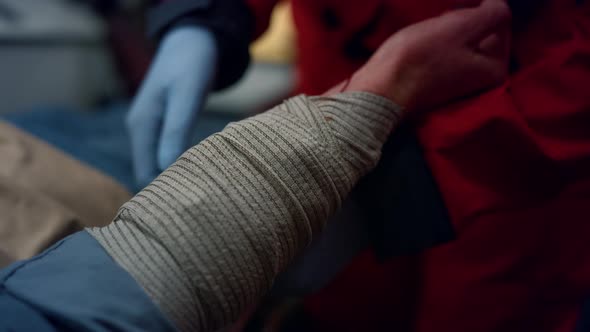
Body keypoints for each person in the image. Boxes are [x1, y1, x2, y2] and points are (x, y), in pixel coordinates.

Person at [0, 2, 510, 330]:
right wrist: (206, 14)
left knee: (477, 307)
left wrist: (407, 163)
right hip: (350, 107)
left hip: (502, 162)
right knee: (344, 304)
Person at [130, 0, 590, 330]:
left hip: (514, 174)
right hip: (333, 123)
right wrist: (201, 15)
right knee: (339, 302)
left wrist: (401, 186)